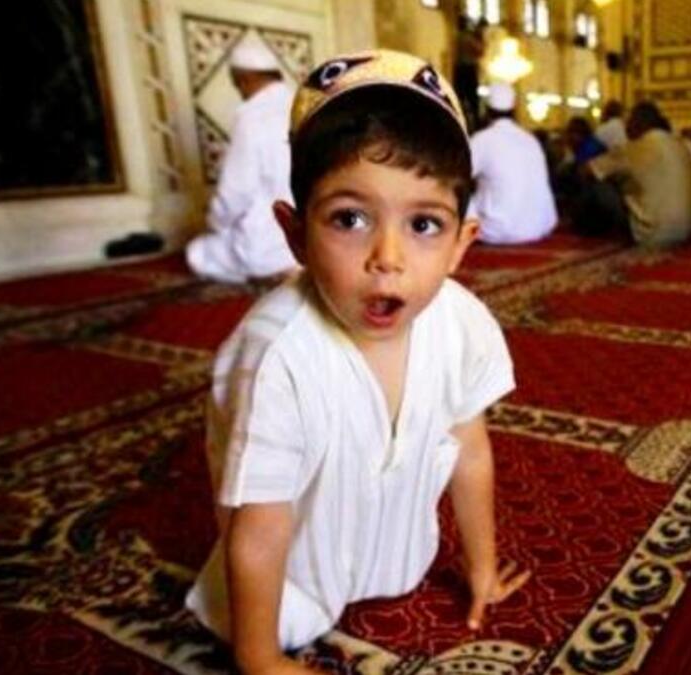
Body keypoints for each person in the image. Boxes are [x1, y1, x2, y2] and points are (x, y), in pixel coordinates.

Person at [184, 50, 530, 673]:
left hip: (399, 555)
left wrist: (481, 566)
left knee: (400, 566)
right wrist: (261, 660)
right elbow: (260, 527)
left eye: (424, 224)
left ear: (461, 244)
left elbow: (470, 449)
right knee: (278, 621)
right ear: (294, 235)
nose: (387, 257)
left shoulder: (461, 322)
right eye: (350, 218)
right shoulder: (276, 355)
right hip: (297, 576)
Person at [185, 38, 298, 283]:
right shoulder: (303, 107)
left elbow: (235, 194)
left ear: (244, 80)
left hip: (266, 249)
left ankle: (270, 272)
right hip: (308, 241)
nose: (241, 93)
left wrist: (214, 223)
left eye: (238, 85)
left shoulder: (251, 118)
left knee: (196, 252)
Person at [588, 101, 691, 247]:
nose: (626, 127)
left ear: (639, 122)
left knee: (599, 186)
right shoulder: (680, 144)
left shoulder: (639, 146)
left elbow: (588, 170)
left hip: (653, 234)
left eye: (629, 121)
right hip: (686, 231)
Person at [467, 83, 558, 244]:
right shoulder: (530, 139)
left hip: (499, 231)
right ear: (514, 110)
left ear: (486, 111)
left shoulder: (483, 139)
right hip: (539, 227)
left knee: (451, 191)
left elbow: (457, 175)